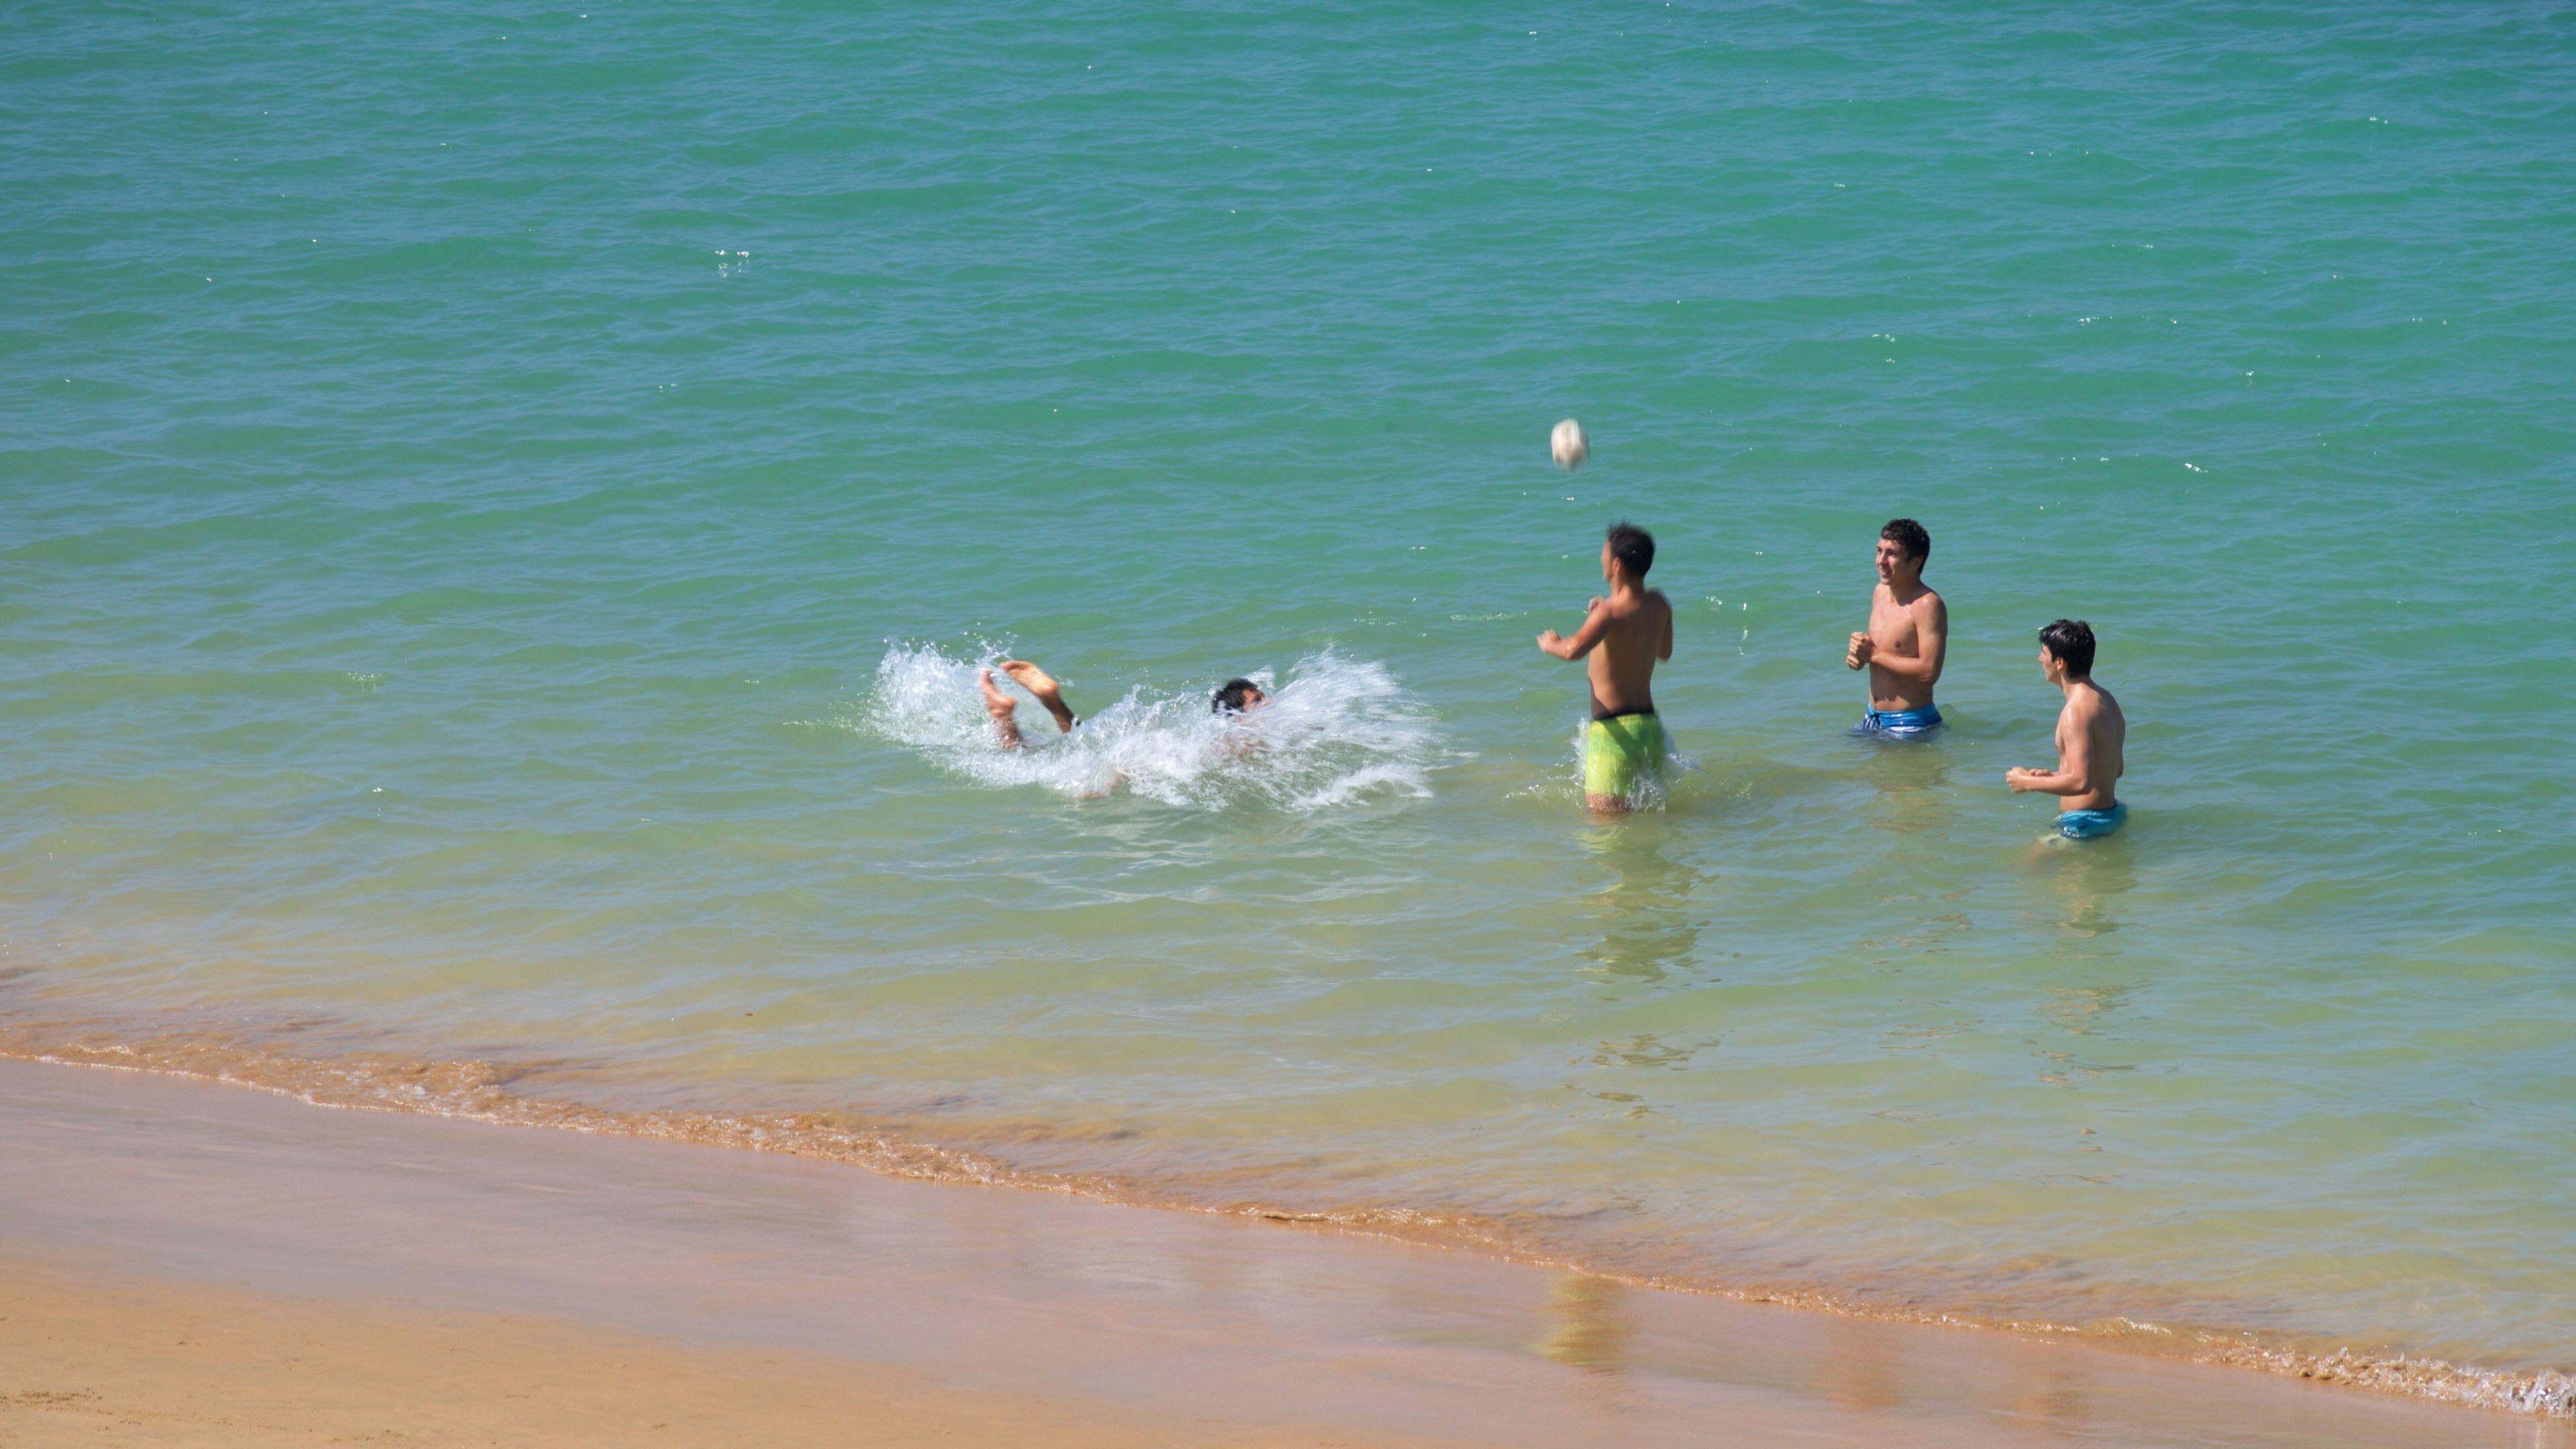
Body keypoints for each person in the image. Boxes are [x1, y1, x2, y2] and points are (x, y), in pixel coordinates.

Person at [1537, 522, 1673, 813]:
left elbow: (1573, 651)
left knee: (1608, 833)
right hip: (1649, 728)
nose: (1601, 559)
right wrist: (1607, 619)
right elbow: (1664, 652)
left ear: (1616, 565)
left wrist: (1552, 643)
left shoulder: (1609, 614)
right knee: (1647, 819)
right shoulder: (1660, 604)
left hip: (1614, 733)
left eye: (1604, 554)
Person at [2006, 619, 2128, 838]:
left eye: (2044, 653)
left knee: (2027, 869)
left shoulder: (2075, 712)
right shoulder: (2107, 700)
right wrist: (2050, 777)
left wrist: (2027, 783)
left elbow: (2082, 782)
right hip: (2111, 814)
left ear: (2060, 662)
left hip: (2083, 824)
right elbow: (2114, 769)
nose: (2040, 659)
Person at [977, 659, 1265, 750]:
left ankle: (1050, 701)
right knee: (1021, 755)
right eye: (1259, 702)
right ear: (1235, 717)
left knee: (1079, 746)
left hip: (1145, 749)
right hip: (1141, 758)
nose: (1270, 703)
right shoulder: (1236, 741)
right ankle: (1001, 713)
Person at [1845, 518, 1947, 737]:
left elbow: (1929, 671)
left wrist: (1874, 654)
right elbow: (1885, 654)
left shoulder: (1928, 605)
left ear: (1915, 561)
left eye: (1892, 554)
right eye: (1879, 551)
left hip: (1911, 724)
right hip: (1871, 718)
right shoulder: (1880, 593)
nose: (1881, 561)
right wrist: (1860, 657)